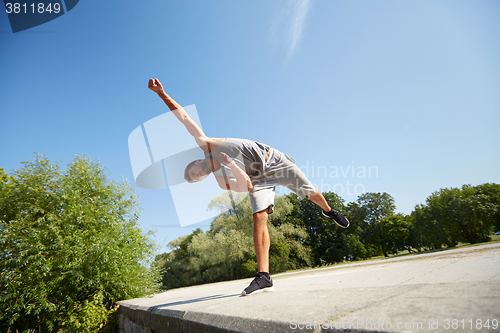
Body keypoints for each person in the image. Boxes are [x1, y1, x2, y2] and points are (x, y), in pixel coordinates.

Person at [148, 78, 350, 296]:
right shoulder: (220, 179)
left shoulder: (207, 144)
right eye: (196, 178)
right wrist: (232, 164)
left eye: (194, 172)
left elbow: (184, 118)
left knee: (312, 193)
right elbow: (246, 185)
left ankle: (329, 211)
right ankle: (264, 276)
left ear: (197, 162)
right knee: (259, 216)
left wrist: (162, 93)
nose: (198, 175)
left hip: (276, 161)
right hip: (258, 180)